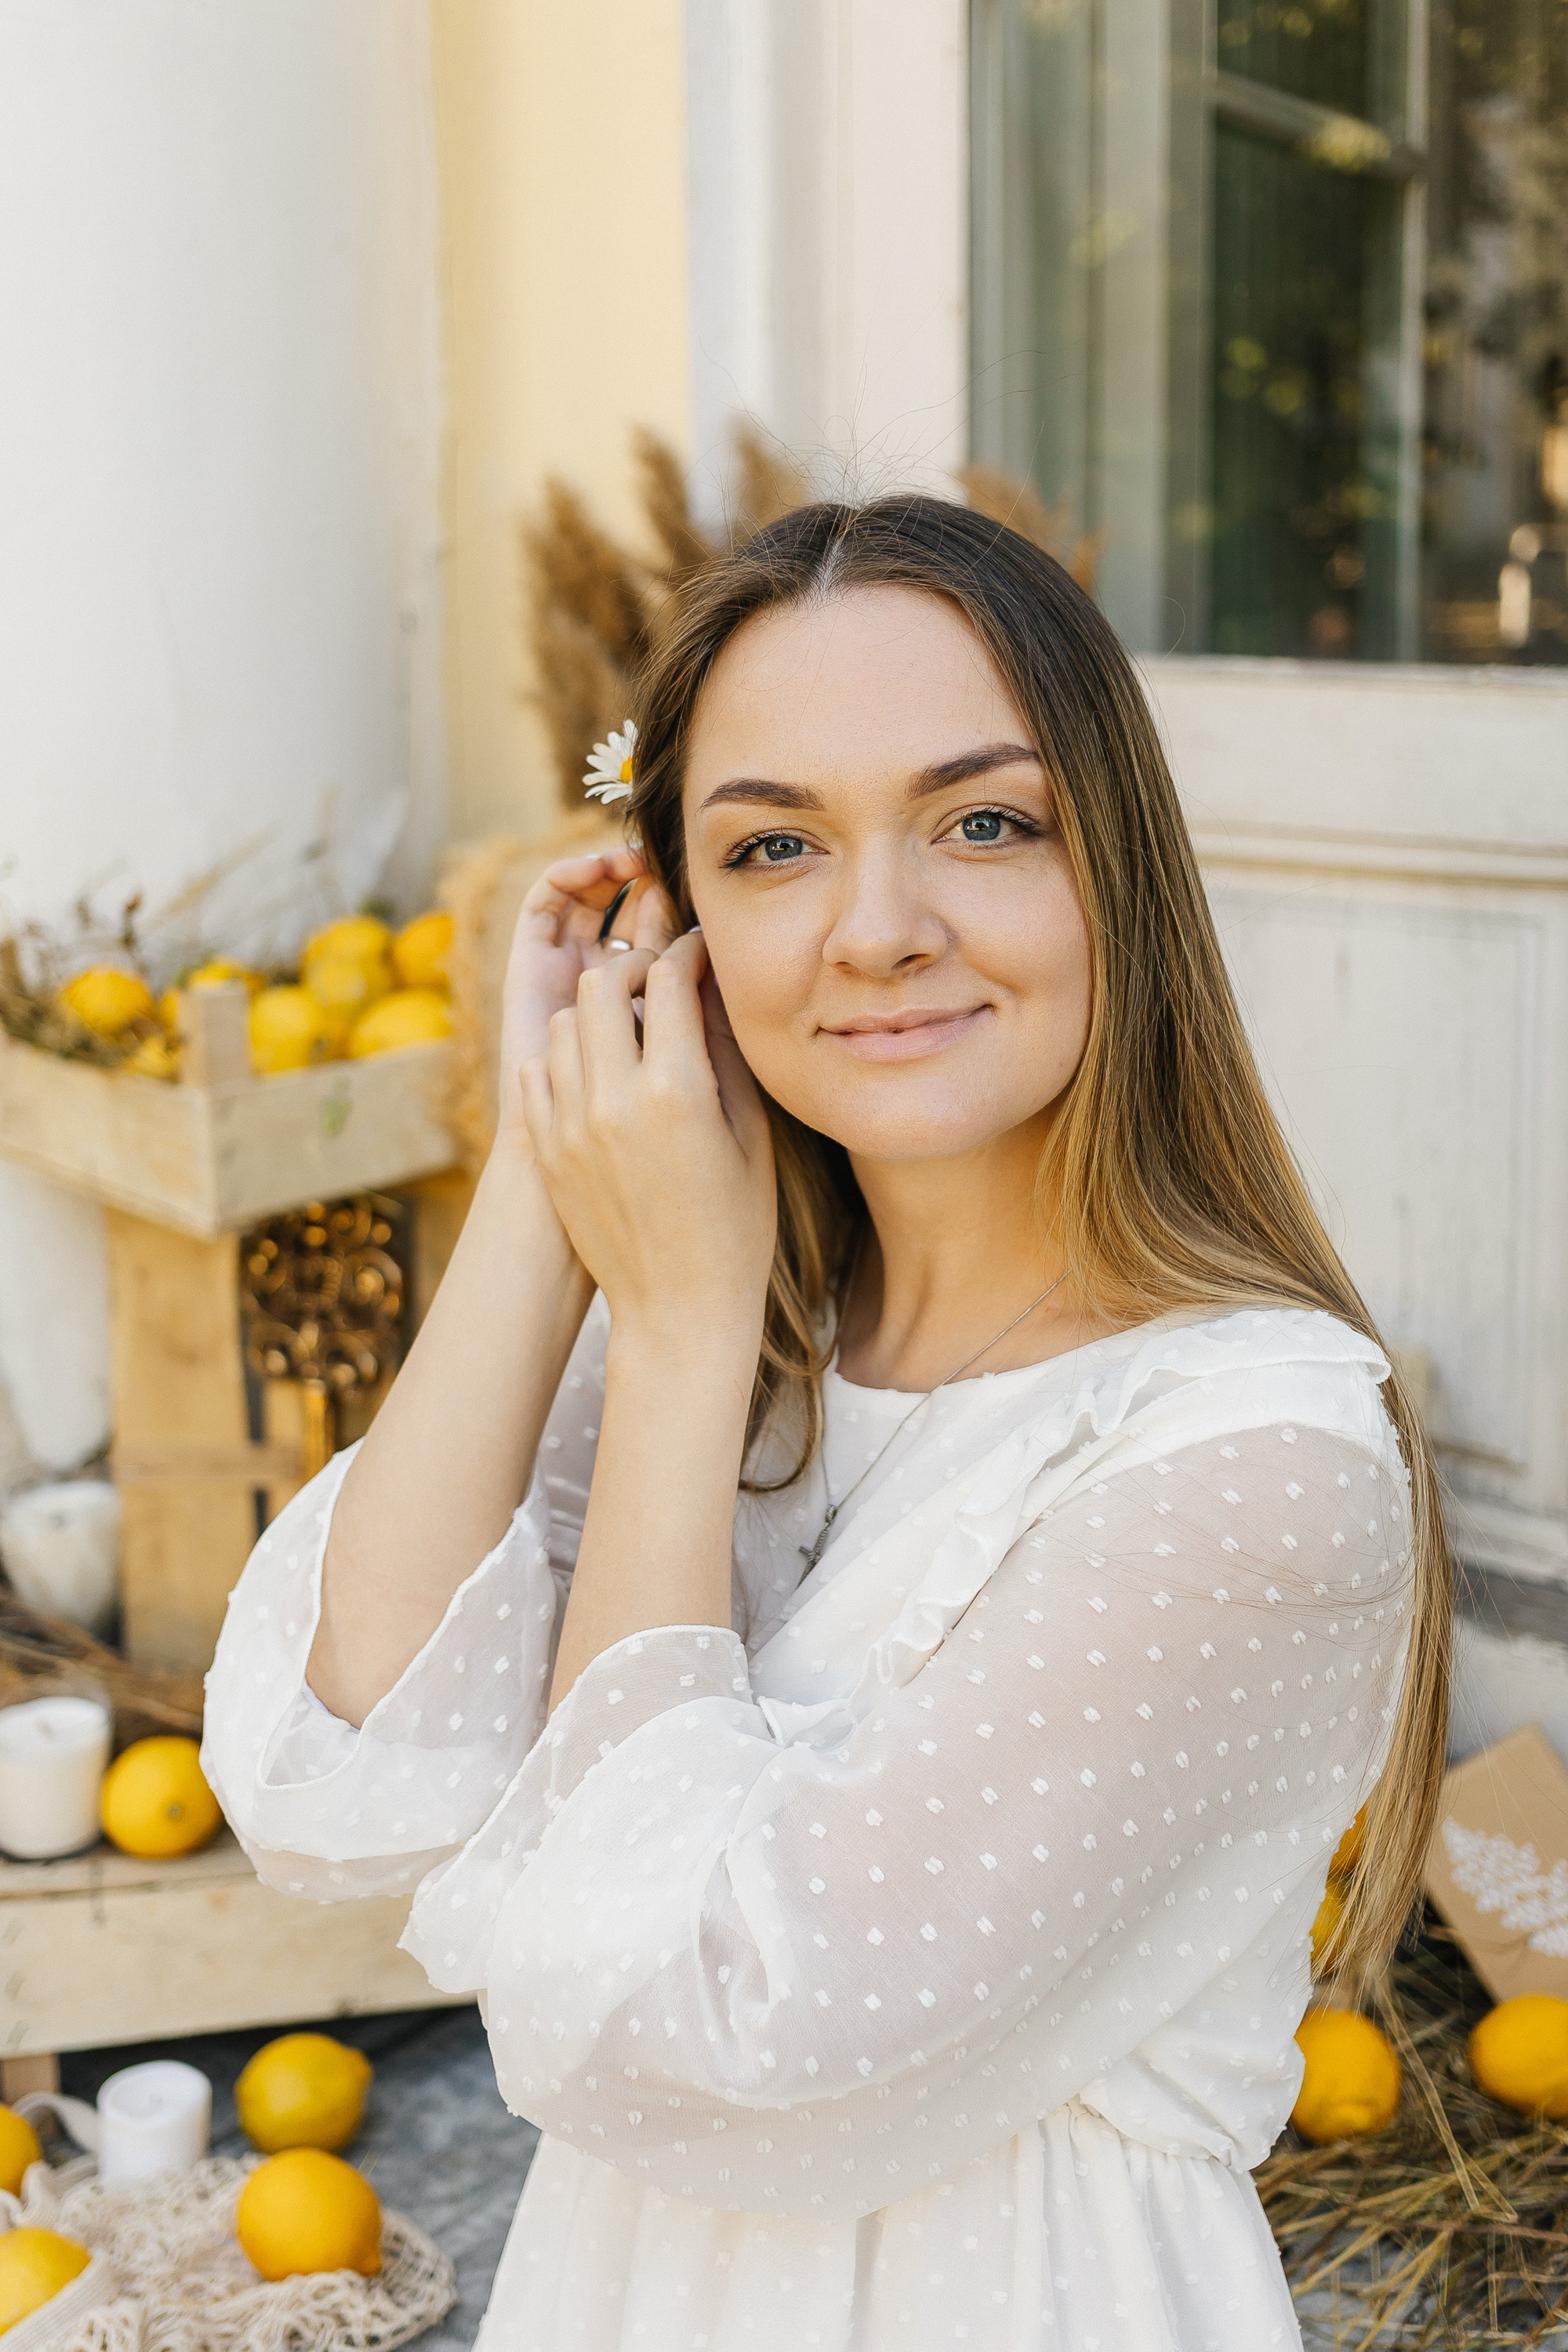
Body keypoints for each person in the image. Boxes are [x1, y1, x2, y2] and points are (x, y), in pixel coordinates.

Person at [204, 497, 1450, 2352]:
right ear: (680, 922)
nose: (877, 930)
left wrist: (685, 1325)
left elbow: (688, 2022)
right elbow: (336, 1764)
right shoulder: (760, 1341)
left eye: (982, 823)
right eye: (775, 845)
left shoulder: (1252, 1462)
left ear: (1118, 869)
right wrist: (557, 1172)